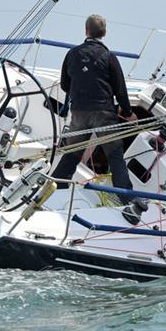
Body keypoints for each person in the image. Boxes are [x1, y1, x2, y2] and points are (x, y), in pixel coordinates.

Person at [50, 14, 147, 223]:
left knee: (72, 153)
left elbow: (65, 85)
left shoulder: (72, 54)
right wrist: (129, 113)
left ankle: (57, 185)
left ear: (86, 31)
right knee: (114, 155)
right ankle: (125, 197)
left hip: (79, 113)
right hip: (103, 113)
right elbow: (120, 90)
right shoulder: (109, 57)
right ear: (103, 33)